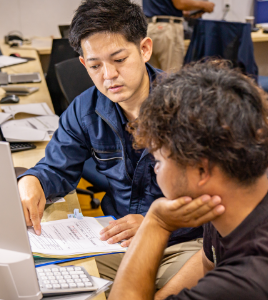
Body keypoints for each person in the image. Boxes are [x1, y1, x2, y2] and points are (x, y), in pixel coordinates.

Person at [17, 0, 223, 287]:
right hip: (117, 238)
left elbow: (219, 198)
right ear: (83, 64)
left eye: (119, 59)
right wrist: (32, 180)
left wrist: (157, 224)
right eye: (95, 65)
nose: (108, 75)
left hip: (182, 242)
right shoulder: (85, 109)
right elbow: (56, 167)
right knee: (45, 278)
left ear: (145, 49)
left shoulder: (189, 108)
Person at [109, 60, 268, 300]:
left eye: (159, 161)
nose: (155, 170)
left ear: (201, 171)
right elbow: (208, 262)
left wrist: (157, 222)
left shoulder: (249, 282)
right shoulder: (253, 184)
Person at [143, 0, 215, 72]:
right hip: (168, 29)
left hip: (150, 27)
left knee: (153, 75)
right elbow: (180, 3)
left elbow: (165, 6)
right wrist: (204, 5)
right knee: (171, 75)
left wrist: (187, 12)